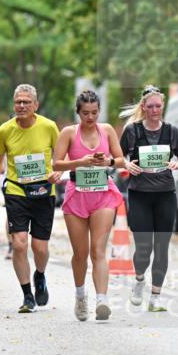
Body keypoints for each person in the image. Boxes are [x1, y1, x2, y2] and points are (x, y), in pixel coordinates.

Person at [53, 90, 125, 321]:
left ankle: (102, 300)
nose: (90, 118)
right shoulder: (68, 133)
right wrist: (79, 162)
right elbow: (56, 163)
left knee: (98, 250)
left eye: (94, 112)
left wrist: (109, 162)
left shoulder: (107, 130)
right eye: (85, 113)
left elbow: (121, 159)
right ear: (78, 112)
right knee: (80, 253)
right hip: (77, 194)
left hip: (103, 192)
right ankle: (80, 295)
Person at [0, 85, 61, 314]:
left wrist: (56, 172)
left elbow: (61, 156)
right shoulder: (5, 129)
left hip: (43, 191)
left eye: (26, 102)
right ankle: (27, 295)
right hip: (17, 190)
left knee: (39, 247)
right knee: (19, 244)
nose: (21, 106)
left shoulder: (49, 126)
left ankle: (40, 275)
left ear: (35, 105)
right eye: (18, 102)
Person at [120, 85, 178, 312]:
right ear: (143, 107)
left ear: (163, 106)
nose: (154, 110)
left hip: (165, 195)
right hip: (140, 195)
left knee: (162, 247)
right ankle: (139, 280)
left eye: (158, 106)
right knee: (143, 248)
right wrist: (127, 164)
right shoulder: (132, 131)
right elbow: (118, 156)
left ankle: (156, 297)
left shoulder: (171, 131)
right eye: (150, 106)